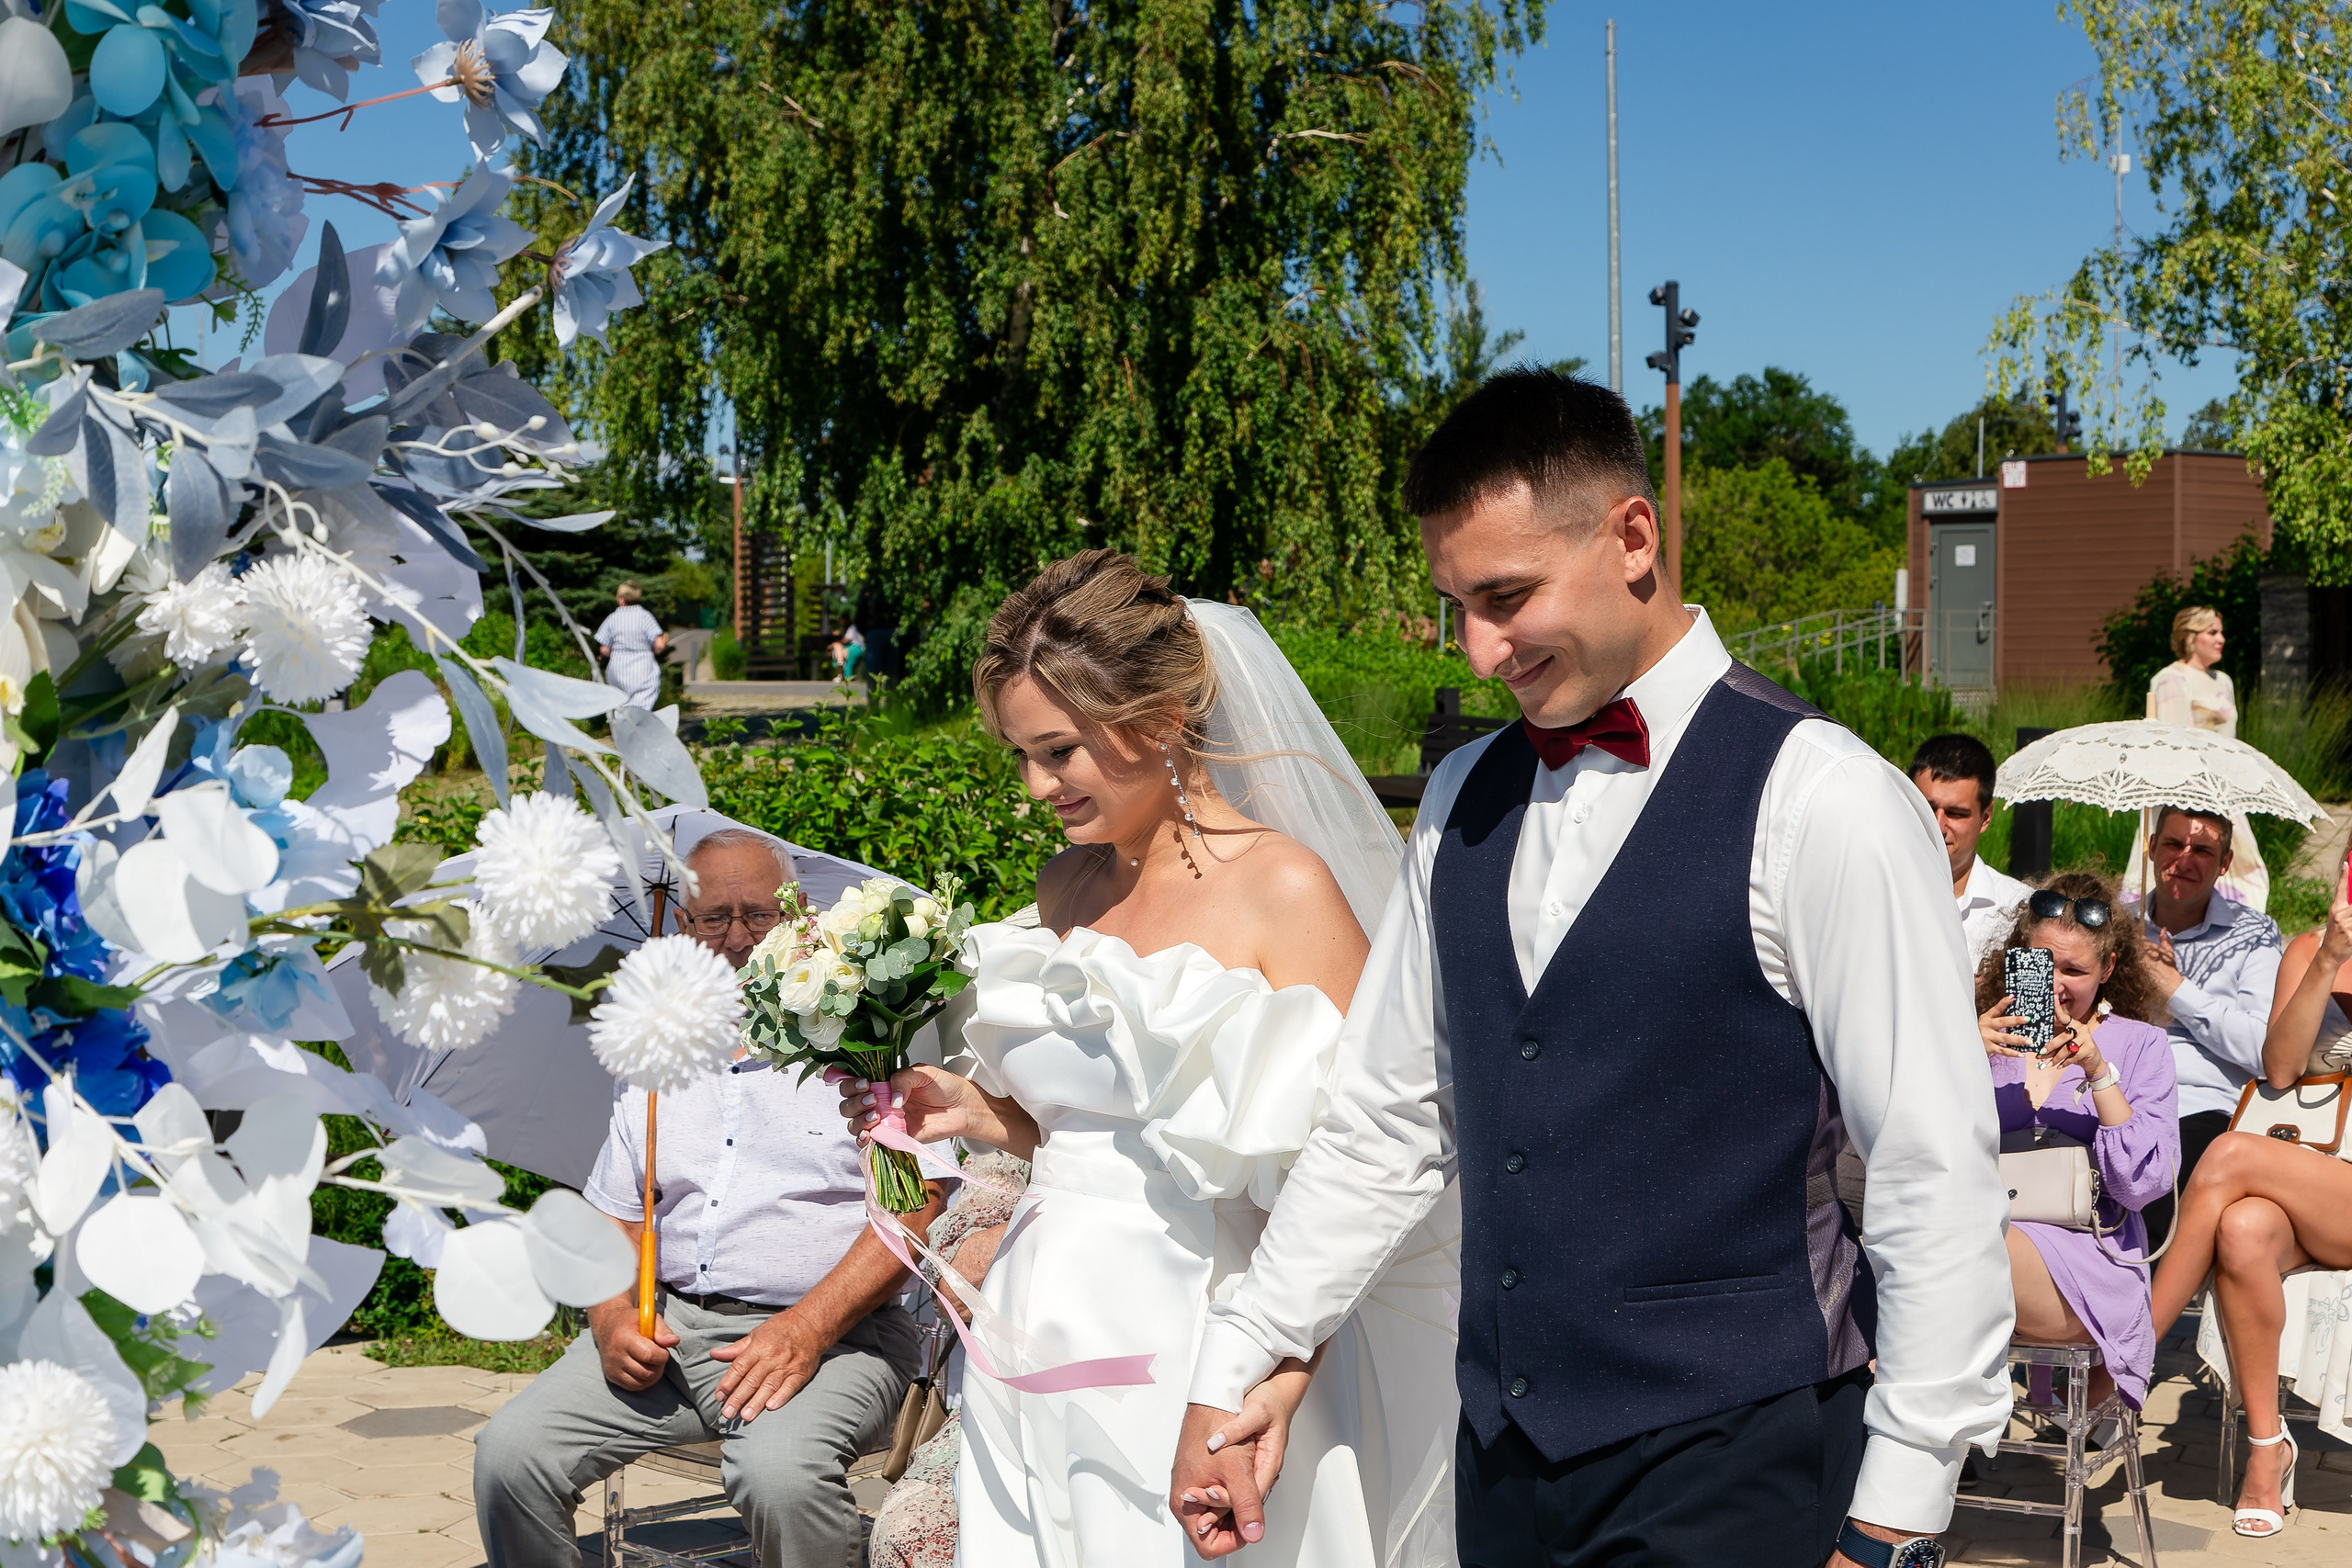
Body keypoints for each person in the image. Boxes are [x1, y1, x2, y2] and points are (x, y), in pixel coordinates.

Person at [1172, 369, 2013, 1568]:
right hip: (1505, 1459)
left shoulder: (1820, 796)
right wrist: (1250, 1355)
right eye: (1456, 603)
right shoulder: (1462, 799)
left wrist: (1898, 1509)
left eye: (1506, 596)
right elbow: (1386, 1120)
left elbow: (1932, 1159)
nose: (1478, 649)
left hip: (1744, 1453)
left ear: (1632, 535)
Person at [836, 551, 1460, 1566]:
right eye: (1020, 756)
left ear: (1161, 721)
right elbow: (1084, 1128)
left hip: (1202, 1337)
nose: (1036, 786)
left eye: (1060, 751)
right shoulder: (1065, 887)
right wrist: (970, 1108)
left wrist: (1269, 1379)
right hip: (1039, 1327)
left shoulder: (1282, 889)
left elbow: (1363, 1167)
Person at [474, 829, 943, 1568]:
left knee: (780, 1475)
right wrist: (610, 1316)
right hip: (673, 1330)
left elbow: (915, 1207)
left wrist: (806, 1328)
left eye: (759, 914)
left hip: (836, 1337)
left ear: (801, 919)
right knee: (512, 1454)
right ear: (684, 931)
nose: (736, 937)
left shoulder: (863, 1044)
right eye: (714, 917)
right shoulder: (659, 1059)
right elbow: (617, 1212)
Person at [2145, 883, 2352, 1539]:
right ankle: (2269, 1448)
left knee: (2230, 1154)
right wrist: (2328, 961)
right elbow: (2281, 1068)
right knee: (2242, 1228)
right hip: (2315, 1171)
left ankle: (2127, 1356)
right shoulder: (2311, 951)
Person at [1974, 874, 2178, 1418]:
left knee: (1954, 1239)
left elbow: (2143, 1187)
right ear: (2020, 958)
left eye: (2076, 970)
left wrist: (2097, 1072)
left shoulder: (2140, 1046)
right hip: (1984, 1239)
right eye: (2044, 965)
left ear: (2108, 970)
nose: (2057, 985)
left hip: (2090, 1257)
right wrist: (1960, 1053)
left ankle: (1914, 1397)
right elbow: (1913, 1145)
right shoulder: (1984, 1036)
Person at [2132, 804, 2285, 1248]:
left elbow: (2264, 1047)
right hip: (2115, 1094)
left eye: (2202, 849)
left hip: (2199, 1106)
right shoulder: (2116, 926)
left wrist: (2176, 991)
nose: (2184, 859)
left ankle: (2142, 1310)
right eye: (2174, 844)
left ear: (2224, 864)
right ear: (2151, 848)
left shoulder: (2253, 933)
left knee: (2165, 1174)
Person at [2123, 605, 2268, 909]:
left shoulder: (2224, 681)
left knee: (2247, 875)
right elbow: (2172, 741)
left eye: (2221, 632)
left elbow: (2233, 741)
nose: (2221, 639)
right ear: (2191, 638)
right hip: (2187, 791)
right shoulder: (2171, 679)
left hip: (2225, 790)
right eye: (2212, 632)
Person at [1911, 731, 2030, 974]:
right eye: (1926, 807)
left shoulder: (2021, 909)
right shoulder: (1870, 892)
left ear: (1985, 818)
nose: (1937, 825)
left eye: (1955, 813)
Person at [594, 581, 668, 709]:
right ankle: (639, 725)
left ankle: (620, 724)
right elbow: (660, 645)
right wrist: (654, 651)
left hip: (617, 667)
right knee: (641, 704)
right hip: (642, 667)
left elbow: (605, 649)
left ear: (622, 599)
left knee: (620, 704)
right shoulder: (646, 617)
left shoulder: (612, 618)